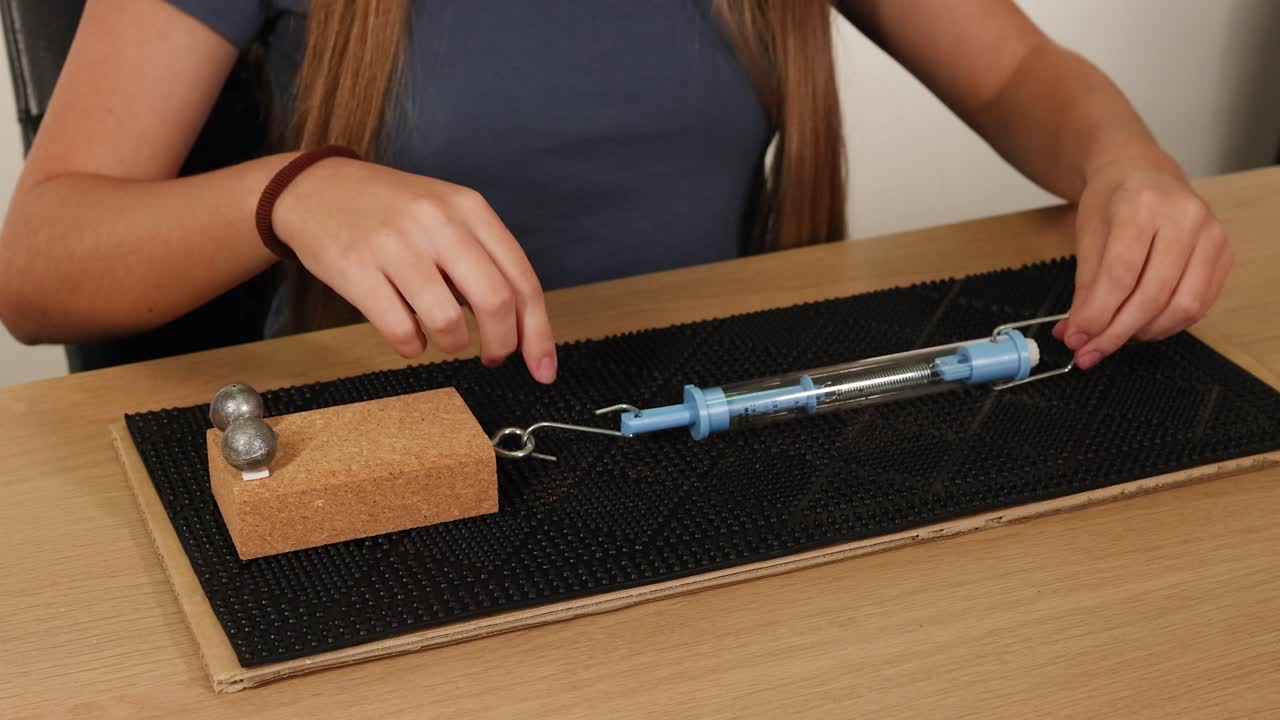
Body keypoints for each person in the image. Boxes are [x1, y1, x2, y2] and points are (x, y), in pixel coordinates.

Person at [0, 0, 1232, 384]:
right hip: (397, 456)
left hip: (712, 420)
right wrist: (288, 191)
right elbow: (39, 261)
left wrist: (1122, 162)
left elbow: (1015, 64)